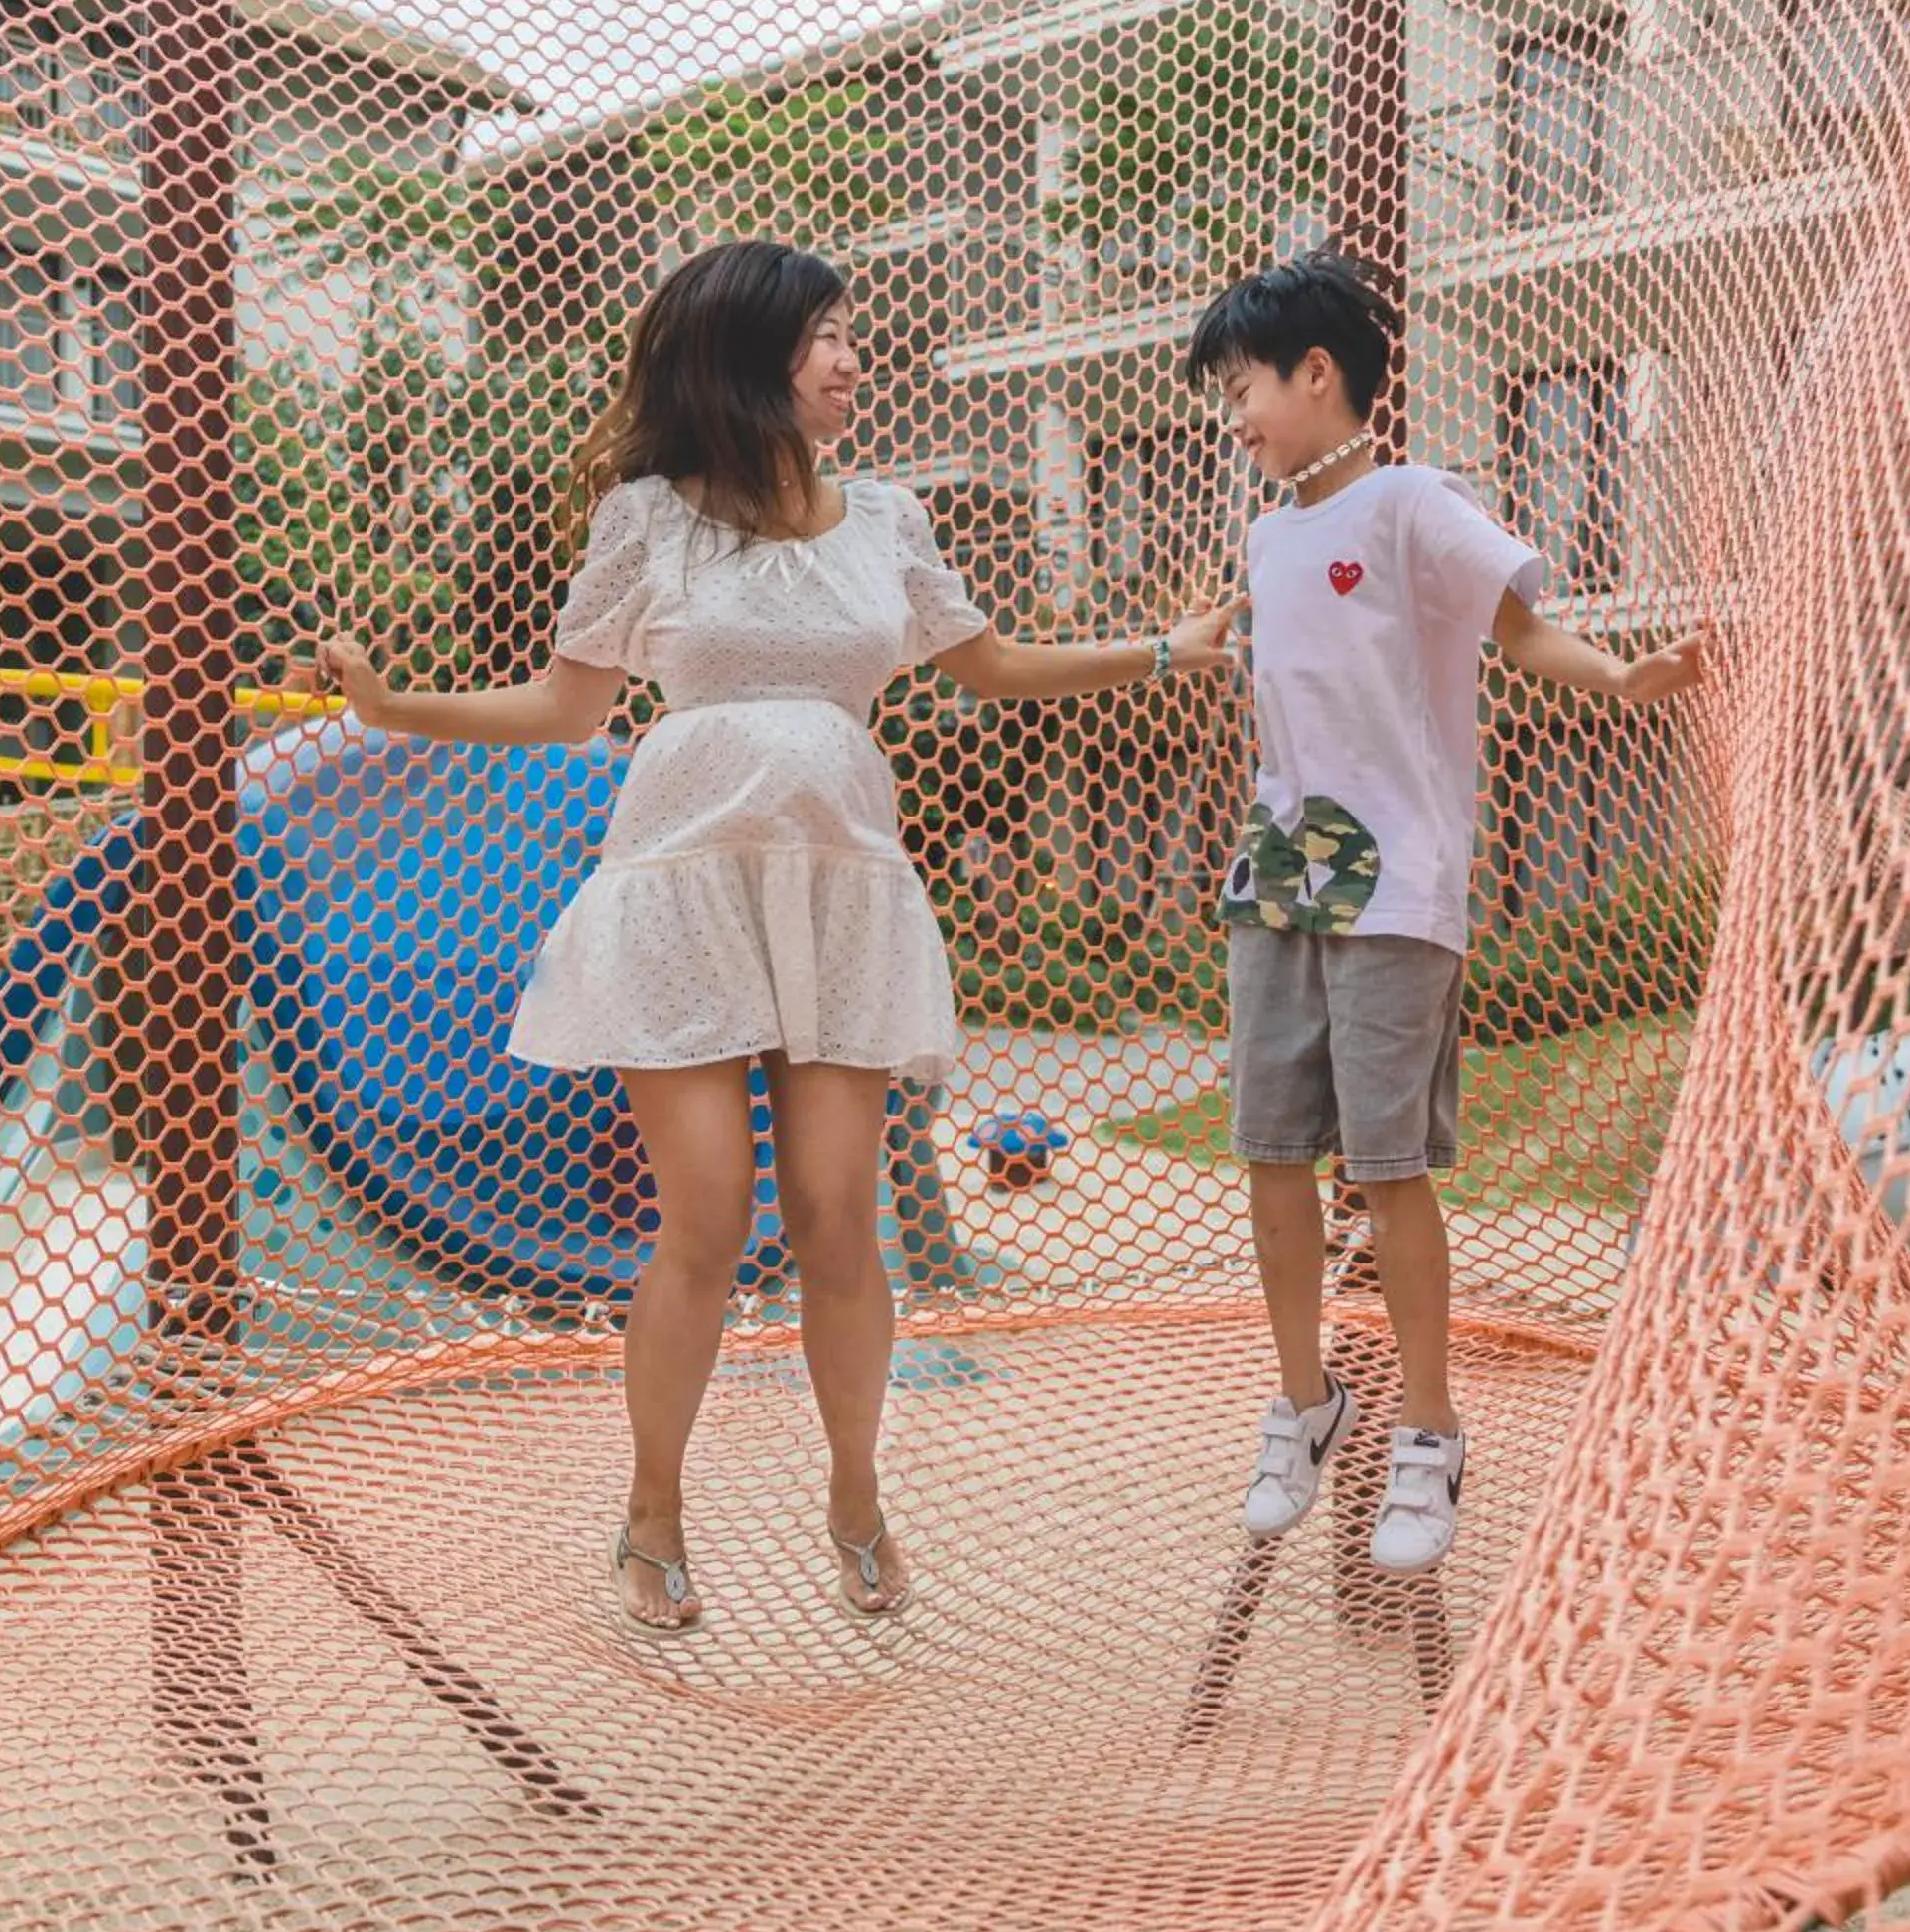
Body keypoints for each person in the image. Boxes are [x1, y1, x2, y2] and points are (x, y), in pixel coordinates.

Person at [319, 239, 1235, 1633]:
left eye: (848, 334)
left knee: (835, 1220)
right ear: (748, 357)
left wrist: (1164, 650)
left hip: (841, 894)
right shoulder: (648, 521)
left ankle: (856, 1494)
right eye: (822, 336)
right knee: (708, 1221)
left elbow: (990, 669)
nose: (849, 359)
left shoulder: (892, 520)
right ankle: (654, 1508)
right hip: (681, 893)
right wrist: (395, 711)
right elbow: (566, 711)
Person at [1183, 253, 1704, 1574]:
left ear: (1317, 374)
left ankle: (1428, 1431)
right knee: (1267, 1149)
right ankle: (1305, 1403)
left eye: (1241, 386)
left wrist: (1620, 675)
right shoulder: (1263, 531)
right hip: (1279, 868)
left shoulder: (1413, 502)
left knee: (1387, 1164)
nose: (1231, 413)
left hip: (1398, 877)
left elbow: (1522, 630)